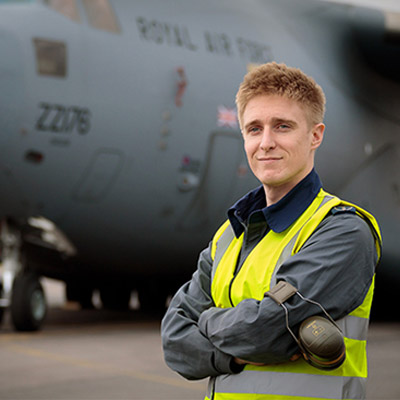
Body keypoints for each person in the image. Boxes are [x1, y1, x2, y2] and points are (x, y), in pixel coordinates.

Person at [161, 62, 382, 400]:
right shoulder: (228, 237)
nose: (266, 143)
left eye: (282, 126)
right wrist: (233, 355)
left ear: (315, 135)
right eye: (254, 129)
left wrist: (205, 321)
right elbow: (174, 339)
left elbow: (266, 330)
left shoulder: (343, 231)